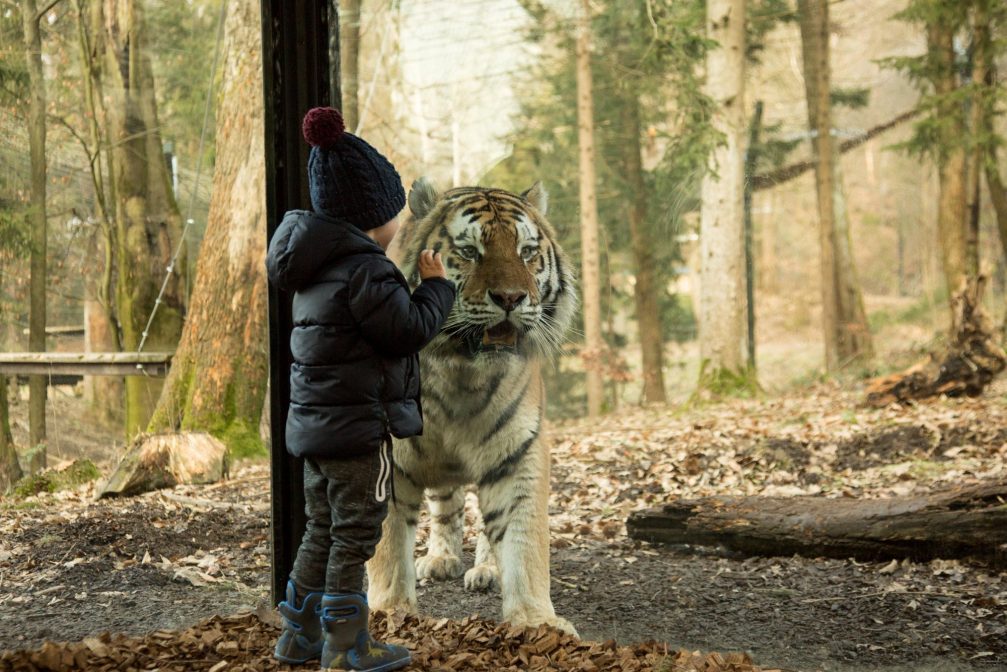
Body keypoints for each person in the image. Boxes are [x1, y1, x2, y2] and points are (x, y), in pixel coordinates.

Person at [265, 106, 456, 672]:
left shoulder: (314, 269)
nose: (399, 217)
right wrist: (436, 288)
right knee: (355, 536)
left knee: (321, 529)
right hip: (358, 436)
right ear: (373, 214)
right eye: (393, 208)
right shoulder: (368, 270)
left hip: (317, 434)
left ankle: (298, 635)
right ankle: (346, 645)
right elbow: (408, 330)